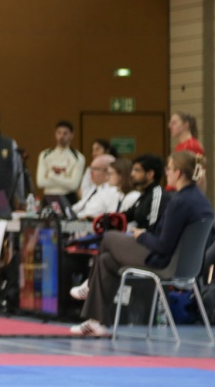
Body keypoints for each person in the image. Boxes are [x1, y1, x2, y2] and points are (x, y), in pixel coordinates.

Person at [70, 150, 212, 336]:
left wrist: (140, 235)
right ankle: (97, 322)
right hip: (186, 266)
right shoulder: (200, 200)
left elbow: (163, 246)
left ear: (178, 173)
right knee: (106, 260)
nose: (166, 173)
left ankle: (90, 285)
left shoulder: (179, 202)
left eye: (169, 169)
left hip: (165, 263)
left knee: (109, 237)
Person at [36, 121, 86, 203]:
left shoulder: (78, 157)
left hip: (68, 197)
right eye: (59, 133)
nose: (61, 136)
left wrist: (52, 176)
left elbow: (74, 185)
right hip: (49, 197)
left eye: (65, 133)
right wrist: (65, 179)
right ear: (55, 134)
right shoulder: (45, 155)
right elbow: (40, 182)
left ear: (71, 135)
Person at [71, 155, 120, 219]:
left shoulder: (112, 191)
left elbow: (93, 213)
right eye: (91, 168)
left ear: (107, 171)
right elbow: (79, 206)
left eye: (95, 169)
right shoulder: (95, 188)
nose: (90, 172)